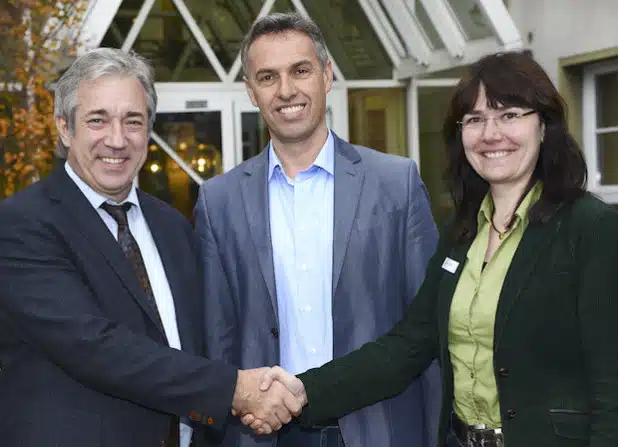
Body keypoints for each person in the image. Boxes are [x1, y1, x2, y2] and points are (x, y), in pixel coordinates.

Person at [249, 51, 618, 447]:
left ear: (544, 125)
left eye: (510, 115)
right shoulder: (462, 233)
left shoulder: (589, 228)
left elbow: (610, 386)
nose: (491, 134)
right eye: (475, 119)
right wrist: (303, 391)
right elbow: (409, 344)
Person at [0, 48, 302, 447]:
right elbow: (94, 346)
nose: (117, 139)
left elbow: (200, 342)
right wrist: (236, 390)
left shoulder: (173, 225)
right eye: (97, 120)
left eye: (133, 121)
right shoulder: (22, 224)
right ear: (64, 128)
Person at [194, 11, 440, 447]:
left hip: (377, 429)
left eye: (300, 71)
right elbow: (218, 340)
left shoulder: (396, 184)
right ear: (251, 91)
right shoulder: (219, 202)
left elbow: (428, 329)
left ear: (327, 75)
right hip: (264, 435)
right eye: (267, 77)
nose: (286, 90)